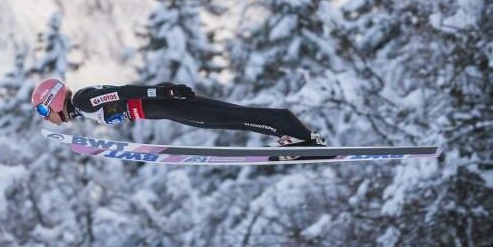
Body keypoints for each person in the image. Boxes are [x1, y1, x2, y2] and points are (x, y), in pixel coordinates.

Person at [30, 77, 326, 146]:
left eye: (44, 109)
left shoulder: (82, 101)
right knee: (233, 114)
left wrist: (161, 91)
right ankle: (296, 133)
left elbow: (122, 93)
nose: (47, 117)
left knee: (232, 117)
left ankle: (295, 136)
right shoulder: (83, 107)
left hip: (163, 106)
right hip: (163, 108)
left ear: (54, 99)